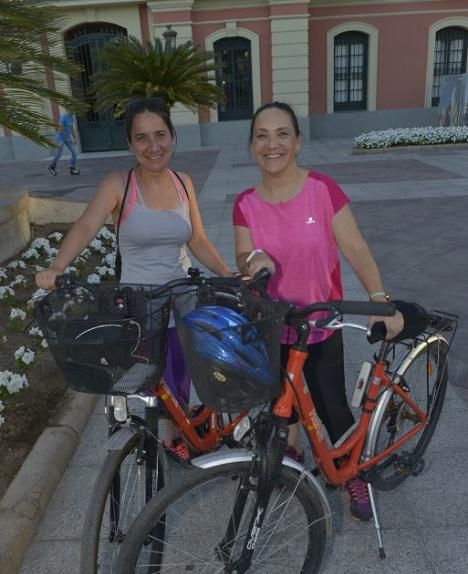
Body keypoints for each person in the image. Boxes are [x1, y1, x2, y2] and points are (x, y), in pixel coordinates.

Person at [233, 101, 404, 522]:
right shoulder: (246, 204)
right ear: (252, 145)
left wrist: (379, 300)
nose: (272, 144)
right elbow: (243, 254)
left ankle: (351, 471)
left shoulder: (322, 190)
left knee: (332, 409)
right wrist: (251, 262)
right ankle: (289, 455)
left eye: (282, 134)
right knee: (281, 406)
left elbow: (356, 248)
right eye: (262, 135)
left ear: (297, 141)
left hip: (320, 328)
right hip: (274, 328)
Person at [37, 96, 232, 458]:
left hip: (182, 292)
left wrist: (227, 273)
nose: (153, 146)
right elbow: (84, 226)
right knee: (154, 377)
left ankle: (180, 430)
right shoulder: (119, 184)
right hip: (141, 303)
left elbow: (198, 238)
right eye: (142, 138)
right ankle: (169, 431)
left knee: (182, 368)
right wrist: (57, 267)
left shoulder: (182, 182)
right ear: (130, 144)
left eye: (160, 134)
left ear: (173, 136)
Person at [48, 108, 81, 176]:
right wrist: (68, 138)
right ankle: (51, 166)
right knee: (59, 153)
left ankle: (72, 169)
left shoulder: (72, 118)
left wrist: (74, 138)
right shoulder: (63, 117)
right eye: (72, 110)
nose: (74, 111)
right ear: (68, 109)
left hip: (67, 138)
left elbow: (71, 128)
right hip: (60, 138)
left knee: (75, 153)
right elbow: (60, 128)